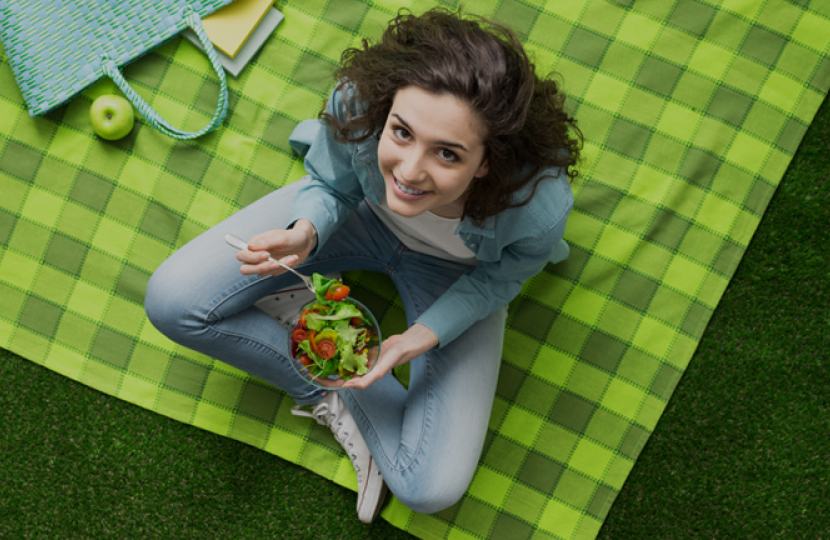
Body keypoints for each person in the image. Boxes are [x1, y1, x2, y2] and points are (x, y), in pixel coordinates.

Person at [145, 8, 582, 523]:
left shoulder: (537, 204)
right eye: (401, 133)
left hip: (457, 275)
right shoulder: (358, 101)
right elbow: (329, 183)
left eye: (447, 154)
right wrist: (306, 231)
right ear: (385, 111)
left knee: (429, 489)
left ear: (487, 161)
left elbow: (500, 280)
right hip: (357, 217)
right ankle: (323, 380)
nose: (410, 173)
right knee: (171, 302)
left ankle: (324, 348)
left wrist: (420, 336)